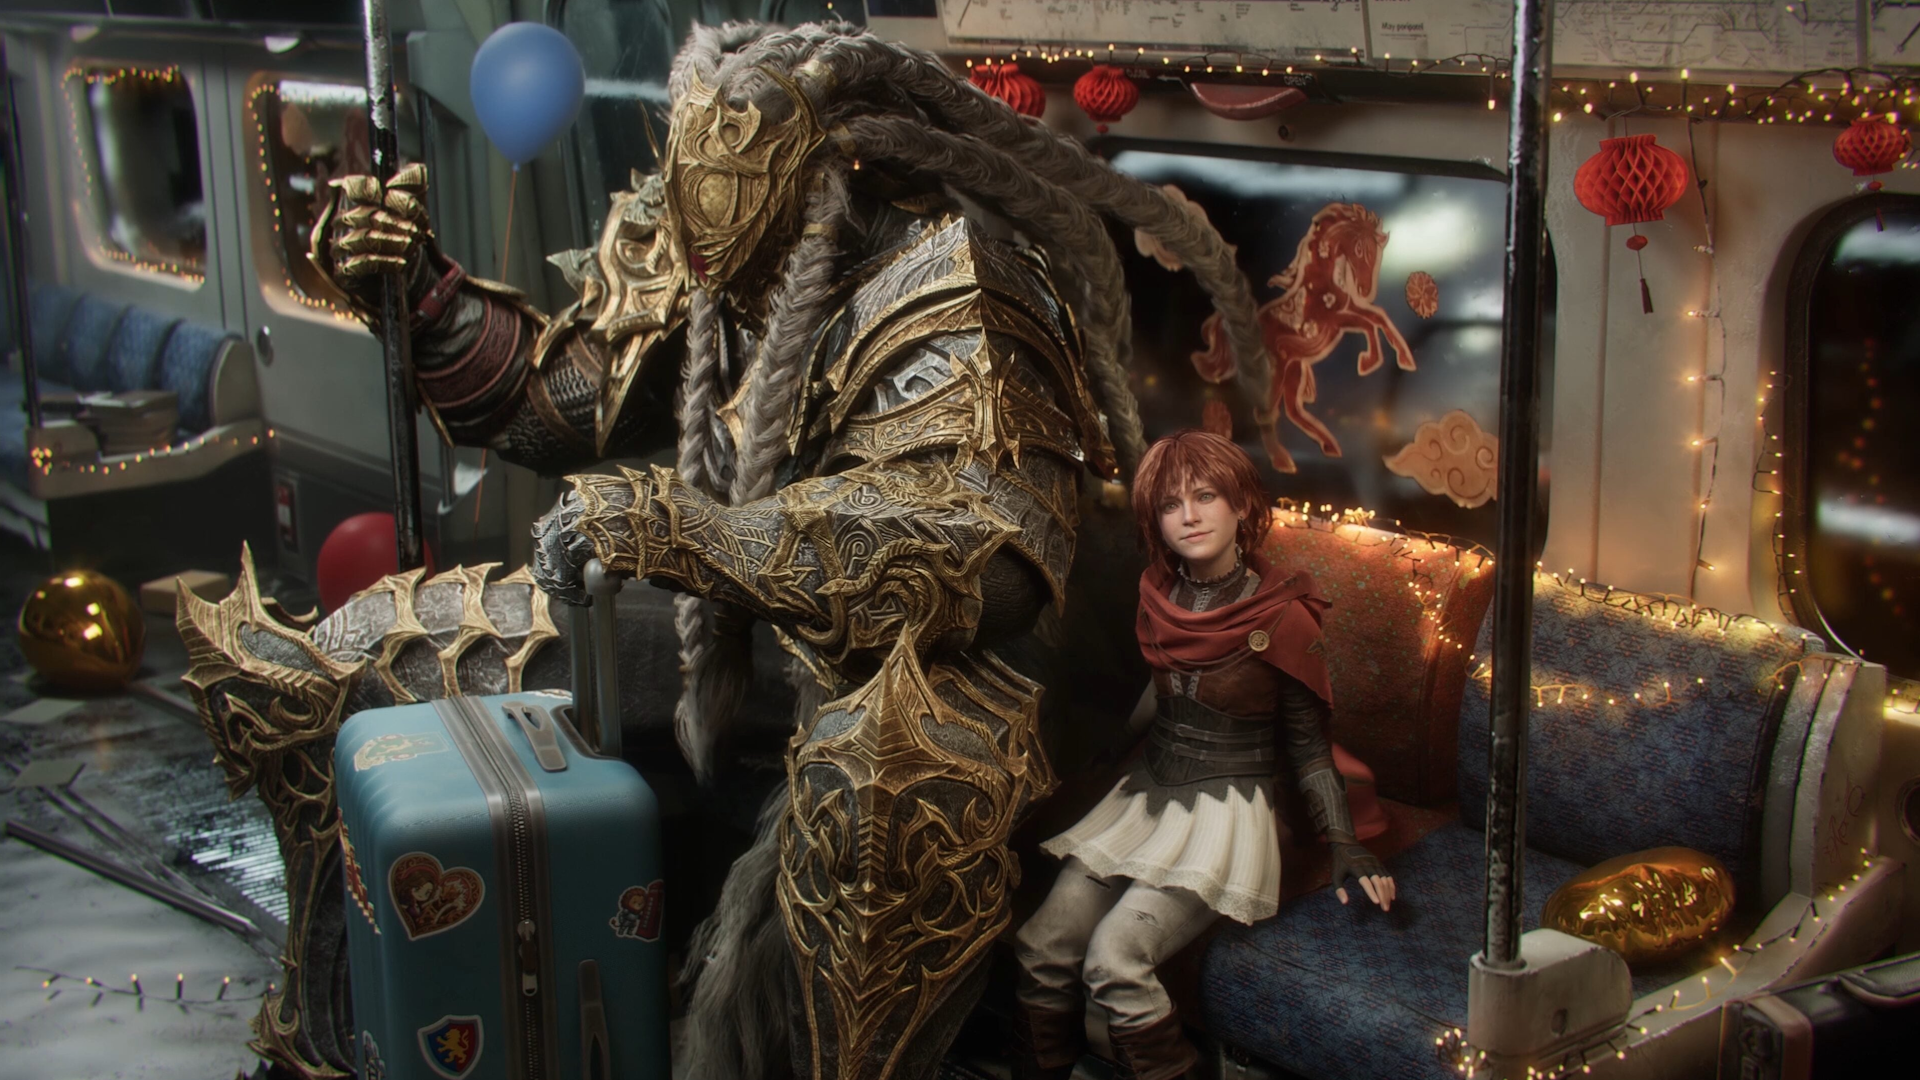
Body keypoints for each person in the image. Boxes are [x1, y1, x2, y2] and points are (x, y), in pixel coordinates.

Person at [1012, 429, 1397, 1080]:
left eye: (1206, 496)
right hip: (1148, 791)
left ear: (1242, 505)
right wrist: (1108, 750)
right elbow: (1161, 688)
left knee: (1114, 959)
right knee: (1041, 946)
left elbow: (1307, 747)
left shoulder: (1285, 617)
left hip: (1228, 808)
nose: (1188, 516)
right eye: (1171, 504)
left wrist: (1343, 841)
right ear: (1156, 522)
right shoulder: (1160, 597)